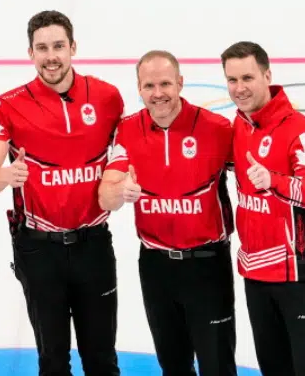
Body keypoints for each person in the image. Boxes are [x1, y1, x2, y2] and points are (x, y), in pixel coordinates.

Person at [0, 10, 125, 375]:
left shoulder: (107, 98)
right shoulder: (7, 106)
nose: (51, 56)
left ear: (73, 47)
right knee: (53, 360)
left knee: (102, 359)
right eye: (42, 48)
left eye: (58, 46)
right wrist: (7, 175)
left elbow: (124, 158)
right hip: (39, 250)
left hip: (93, 243)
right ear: (30, 53)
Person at [98, 50, 238, 376]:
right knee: (172, 364)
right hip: (156, 267)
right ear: (139, 88)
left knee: (218, 366)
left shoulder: (217, 128)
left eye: (165, 84)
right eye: (149, 86)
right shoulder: (128, 130)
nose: (157, 94)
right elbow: (106, 195)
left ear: (180, 83)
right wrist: (119, 191)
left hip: (207, 266)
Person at [221, 41, 305, 376]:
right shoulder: (239, 125)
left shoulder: (300, 129)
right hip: (256, 271)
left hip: (301, 273)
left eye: (247, 77)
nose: (239, 88)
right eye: (231, 80)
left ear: (267, 75)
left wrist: (273, 180)